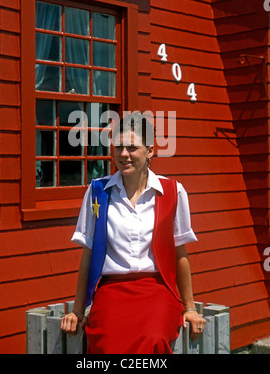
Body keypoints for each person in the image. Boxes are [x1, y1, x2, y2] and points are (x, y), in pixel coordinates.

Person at [61, 112, 206, 354]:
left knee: (154, 339)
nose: (123, 154)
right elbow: (87, 253)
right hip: (111, 290)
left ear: (150, 151)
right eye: (118, 147)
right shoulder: (97, 191)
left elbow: (180, 251)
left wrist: (189, 306)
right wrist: (78, 309)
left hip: (158, 288)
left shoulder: (173, 191)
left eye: (132, 147)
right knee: (106, 344)